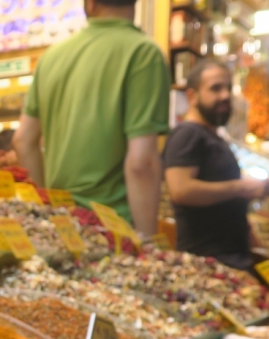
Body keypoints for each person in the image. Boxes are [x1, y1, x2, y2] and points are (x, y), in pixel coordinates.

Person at [13, 0, 169, 236]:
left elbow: (23, 141)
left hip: (62, 226)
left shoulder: (51, 56)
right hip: (113, 230)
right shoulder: (143, 52)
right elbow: (142, 162)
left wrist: (46, 208)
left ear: (90, 4)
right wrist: (147, 241)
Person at [163, 60, 269, 270]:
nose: (225, 95)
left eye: (228, 88)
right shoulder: (188, 134)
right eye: (215, 88)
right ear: (192, 96)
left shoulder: (214, 138)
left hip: (229, 263)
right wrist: (242, 187)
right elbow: (180, 190)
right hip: (205, 265)